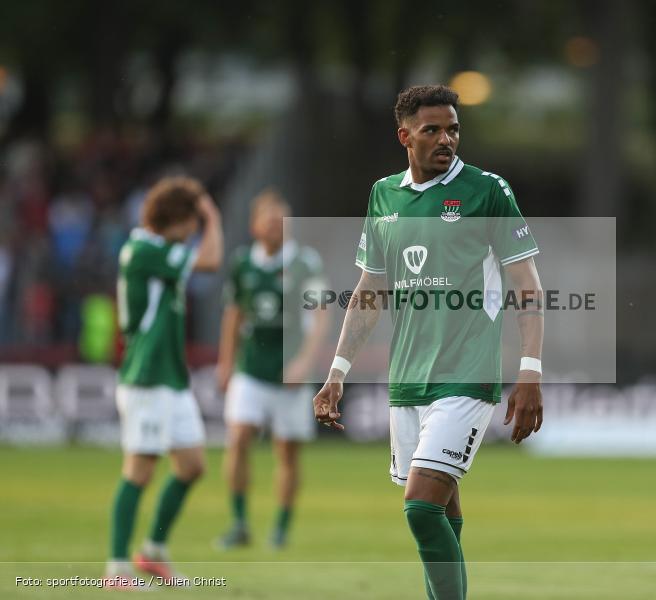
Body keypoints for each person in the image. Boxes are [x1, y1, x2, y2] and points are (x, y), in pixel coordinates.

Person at [313, 84, 544, 600]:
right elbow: (370, 291)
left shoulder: (487, 191)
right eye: (432, 130)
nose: (447, 139)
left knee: (419, 506)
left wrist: (530, 370)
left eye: (454, 129)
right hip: (408, 380)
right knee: (441, 510)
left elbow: (526, 284)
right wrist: (336, 372)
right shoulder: (383, 195)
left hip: (467, 374)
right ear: (405, 137)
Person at [104, 176, 223, 588]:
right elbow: (210, 260)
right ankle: (116, 568)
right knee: (139, 469)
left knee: (191, 465)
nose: (195, 229)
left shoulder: (162, 251)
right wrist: (213, 216)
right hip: (146, 376)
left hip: (171, 378)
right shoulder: (142, 250)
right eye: (192, 219)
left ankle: (151, 552)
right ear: (179, 217)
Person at [216, 189, 329, 549]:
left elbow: (323, 316)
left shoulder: (305, 264)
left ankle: (280, 527)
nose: (277, 227)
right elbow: (233, 315)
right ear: (255, 226)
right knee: (237, 438)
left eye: (282, 221)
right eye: (269, 220)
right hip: (250, 368)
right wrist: (224, 362)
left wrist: (305, 362)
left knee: (287, 451)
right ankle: (239, 523)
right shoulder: (242, 263)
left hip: (290, 374)